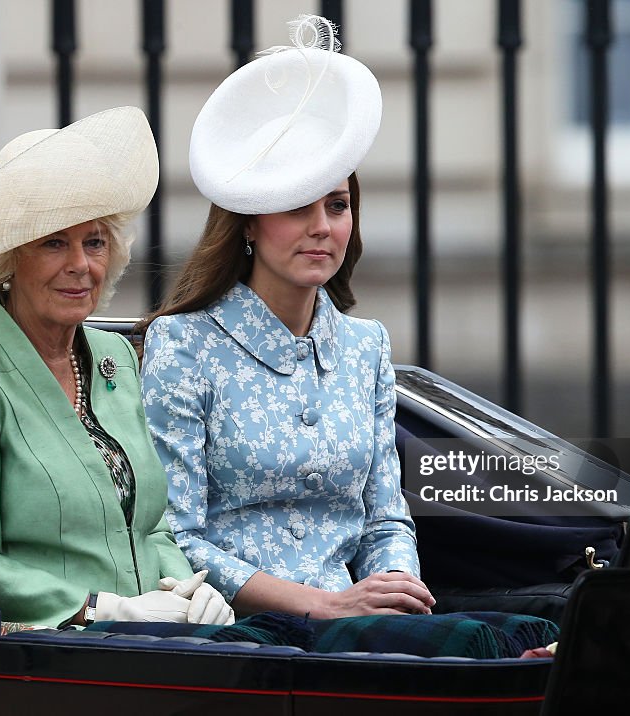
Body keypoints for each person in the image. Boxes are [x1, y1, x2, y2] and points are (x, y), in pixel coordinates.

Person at [138, 15, 434, 620]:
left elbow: (385, 519)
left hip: (357, 626)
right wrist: (324, 606)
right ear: (249, 221)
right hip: (236, 633)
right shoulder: (183, 344)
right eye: (297, 206)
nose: (322, 227)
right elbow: (175, 536)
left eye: (338, 205)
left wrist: (393, 590)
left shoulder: (365, 346)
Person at [0, 107, 233, 629]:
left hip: (157, 643)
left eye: (93, 241)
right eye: (54, 242)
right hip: (45, 655)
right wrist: (100, 608)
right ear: (7, 259)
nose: (81, 264)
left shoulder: (116, 356)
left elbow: (152, 527)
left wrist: (188, 594)